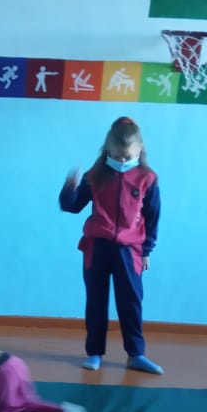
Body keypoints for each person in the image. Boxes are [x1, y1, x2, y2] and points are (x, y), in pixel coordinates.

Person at [59, 115, 163, 375]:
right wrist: (68, 190)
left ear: (140, 150)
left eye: (128, 157)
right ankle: (94, 353)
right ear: (108, 150)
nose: (123, 161)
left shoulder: (148, 179)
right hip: (97, 248)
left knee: (131, 302)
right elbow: (72, 206)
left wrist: (147, 250)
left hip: (130, 251)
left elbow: (153, 217)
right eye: (117, 156)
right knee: (96, 301)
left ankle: (136, 354)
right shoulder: (95, 176)